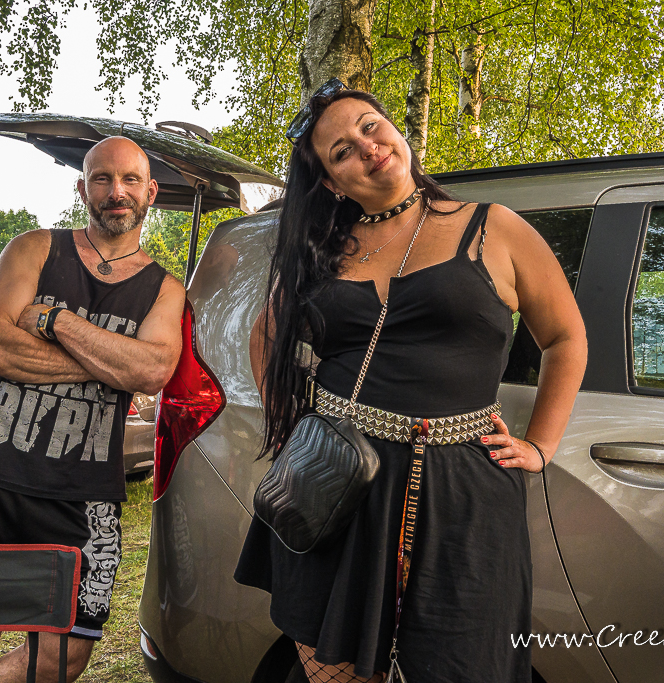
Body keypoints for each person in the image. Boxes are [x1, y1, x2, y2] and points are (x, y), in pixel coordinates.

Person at [234, 82, 588, 682]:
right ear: (331, 183)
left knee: (459, 664)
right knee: (336, 671)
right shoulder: (322, 251)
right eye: (342, 151)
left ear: (395, 129)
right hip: (339, 487)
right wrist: (300, 432)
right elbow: (267, 336)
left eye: (370, 126)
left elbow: (565, 337)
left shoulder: (493, 227)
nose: (367, 147)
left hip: (462, 497)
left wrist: (541, 444)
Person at [0, 136, 185, 683]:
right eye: (101, 178)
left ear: (151, 192)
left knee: (64, 654)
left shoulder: (165, 290)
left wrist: (56, 322)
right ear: (82, 189)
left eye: (130, 180)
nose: (116, 192)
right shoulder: (35, 249)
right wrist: (111, 362)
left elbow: (151, 372)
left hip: (80, 492)